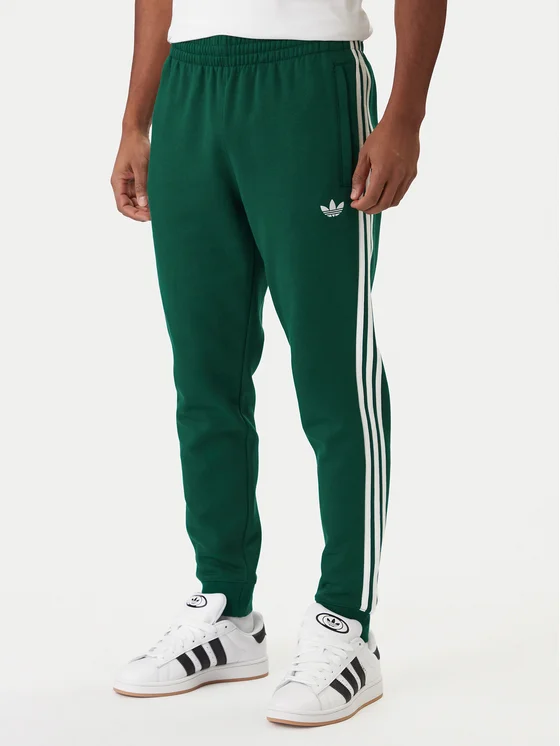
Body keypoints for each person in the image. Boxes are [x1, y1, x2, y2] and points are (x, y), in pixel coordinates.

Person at [110, 0, 445, 727]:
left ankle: (346, 622)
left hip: (309, 79)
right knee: (204, 376)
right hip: (189, 82)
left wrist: (405, 118)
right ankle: (226, 610)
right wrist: (137, 121)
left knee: (334, 373)